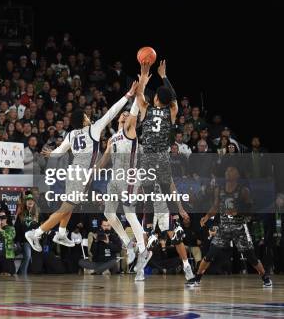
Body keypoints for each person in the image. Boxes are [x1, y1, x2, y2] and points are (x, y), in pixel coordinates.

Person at [25, 82, 138, 251]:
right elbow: (111, 112)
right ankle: (36, 233)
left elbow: (59, 152)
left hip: (77, 173)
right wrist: (128, 95)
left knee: (70, 205)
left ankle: (61, 233)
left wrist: (51, 154)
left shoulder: (71, 134)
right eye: (86, 116)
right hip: (80, 174)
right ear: (83, 120)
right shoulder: (93, 130)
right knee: (66, 208)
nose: (88, 117)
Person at [135, 61, 195, 284]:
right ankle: (187, 266)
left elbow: (140, 95)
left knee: (149, 214)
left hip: (148, 160)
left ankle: (142, 265)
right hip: (161, 160)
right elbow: (175, 100)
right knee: (164, 200)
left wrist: (143, 75)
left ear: (155, 99)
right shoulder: (171, 113)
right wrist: (164, 76)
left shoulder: (147, 109)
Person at [186, 166, 272, 287]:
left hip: (239, 228)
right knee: (210, 254)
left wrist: (239, 212)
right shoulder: (219, 189)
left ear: (237, 175)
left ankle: (265, 277)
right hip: (224, 228)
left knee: (251, 256)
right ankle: (197, 278)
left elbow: (251, 208)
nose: (228, 172)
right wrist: (206, 216)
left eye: (231, 171)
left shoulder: (243, 190)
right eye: (227, 171)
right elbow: (215, 206)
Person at [96, 96, 148, 279]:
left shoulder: (129, 130)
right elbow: (104, 160)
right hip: (115, 178)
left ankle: (143, 250)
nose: (125, 115)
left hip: (129, 177)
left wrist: (138, 93)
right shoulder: (112, 138)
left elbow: (134, 110)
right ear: (119, 118)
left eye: (128, 114)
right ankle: (129, 244)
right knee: (108, 214)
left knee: (129, 213)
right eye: (123, 113)